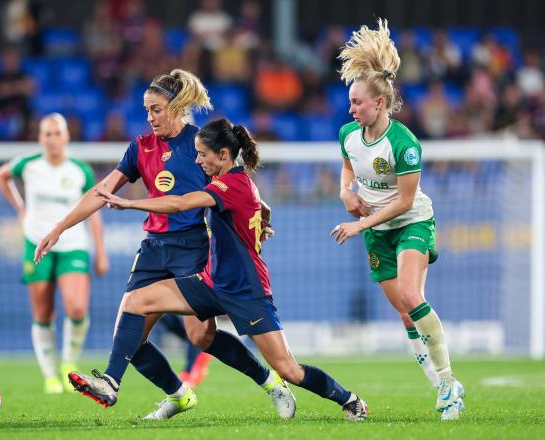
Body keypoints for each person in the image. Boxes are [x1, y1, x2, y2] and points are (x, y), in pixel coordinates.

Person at [39, 118, 369, 421]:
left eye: (202, 155)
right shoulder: (232, 181)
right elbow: (256, 209)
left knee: (290, 369)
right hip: (210, 282)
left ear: (223, 155)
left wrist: (130, 203)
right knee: (137, 302)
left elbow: (181, 203)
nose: (198, 161)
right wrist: (259, 221)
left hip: (246, 290)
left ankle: (349, 399)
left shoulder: (230, 185)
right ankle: (118, 382)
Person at [32, 69, 295, 420]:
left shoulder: (198, 144)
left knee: (201, 336)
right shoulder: (140, 148)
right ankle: (166, 392)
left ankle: (269, 381)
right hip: (154, 248)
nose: (149, 117)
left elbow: (236, 183)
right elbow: (102, 191)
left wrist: (260, 211)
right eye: (146, 110)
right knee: (129, 333)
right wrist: (60, 227)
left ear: (177, 107)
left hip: (193, 246)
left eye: (156, 109)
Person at [329, 19, 465, 421]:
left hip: (410, 222)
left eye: (358, 103)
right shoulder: (348, 135)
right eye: (350, 102)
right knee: (405, 313)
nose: (351, 109)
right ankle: (441, 386)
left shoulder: (404, 144)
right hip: (378, 232)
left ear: (380, 104)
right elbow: (347, 168)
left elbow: (405, 202)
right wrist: (344, 192)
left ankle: (448, 382)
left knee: (410, 294)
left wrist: (358, 225)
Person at [0, 113, 109, 393]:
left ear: (67, 136)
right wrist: (20, 208)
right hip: (36, 243)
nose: (53, 139)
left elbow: (92, 211)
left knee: (77, 307)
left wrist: (100, 251)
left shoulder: (80, 170)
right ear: (40, 137)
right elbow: (1, 176)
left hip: (73, 246)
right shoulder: (29, 164)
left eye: (57, 133)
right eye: (47, 133)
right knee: (43, 312)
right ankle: (50, 376)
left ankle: (68, 364)